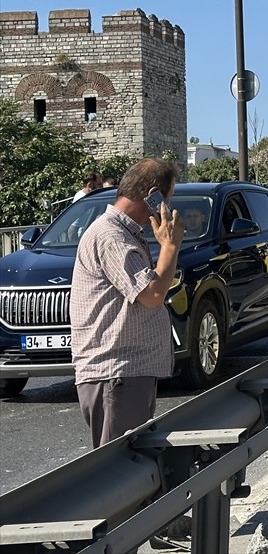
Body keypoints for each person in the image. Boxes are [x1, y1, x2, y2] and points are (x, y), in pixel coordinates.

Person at [69, 157, 184, 448]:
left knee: (130, 469)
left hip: (125, 374)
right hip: (117, 374)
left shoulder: (123, 233)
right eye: (166, 199)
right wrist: (170, 247)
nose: (166, 207)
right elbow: (153, 295)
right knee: (121, 472)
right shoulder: (113, 237)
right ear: (153, 194)